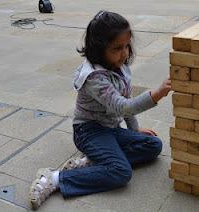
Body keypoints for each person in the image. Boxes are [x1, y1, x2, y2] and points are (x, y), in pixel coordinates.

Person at [29, 10, 171, 210]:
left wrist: (134, 131)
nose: (124, 53)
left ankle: (92, 163)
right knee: (121, 173)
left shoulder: (119, 66)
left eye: (126, 46)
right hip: (89, 131)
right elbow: (123, 107)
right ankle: (55, 178)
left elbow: (126, 102)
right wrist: (156, 94)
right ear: (99, 49)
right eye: (117, 48)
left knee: (153, 145)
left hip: (110, 129)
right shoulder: (95, 78)